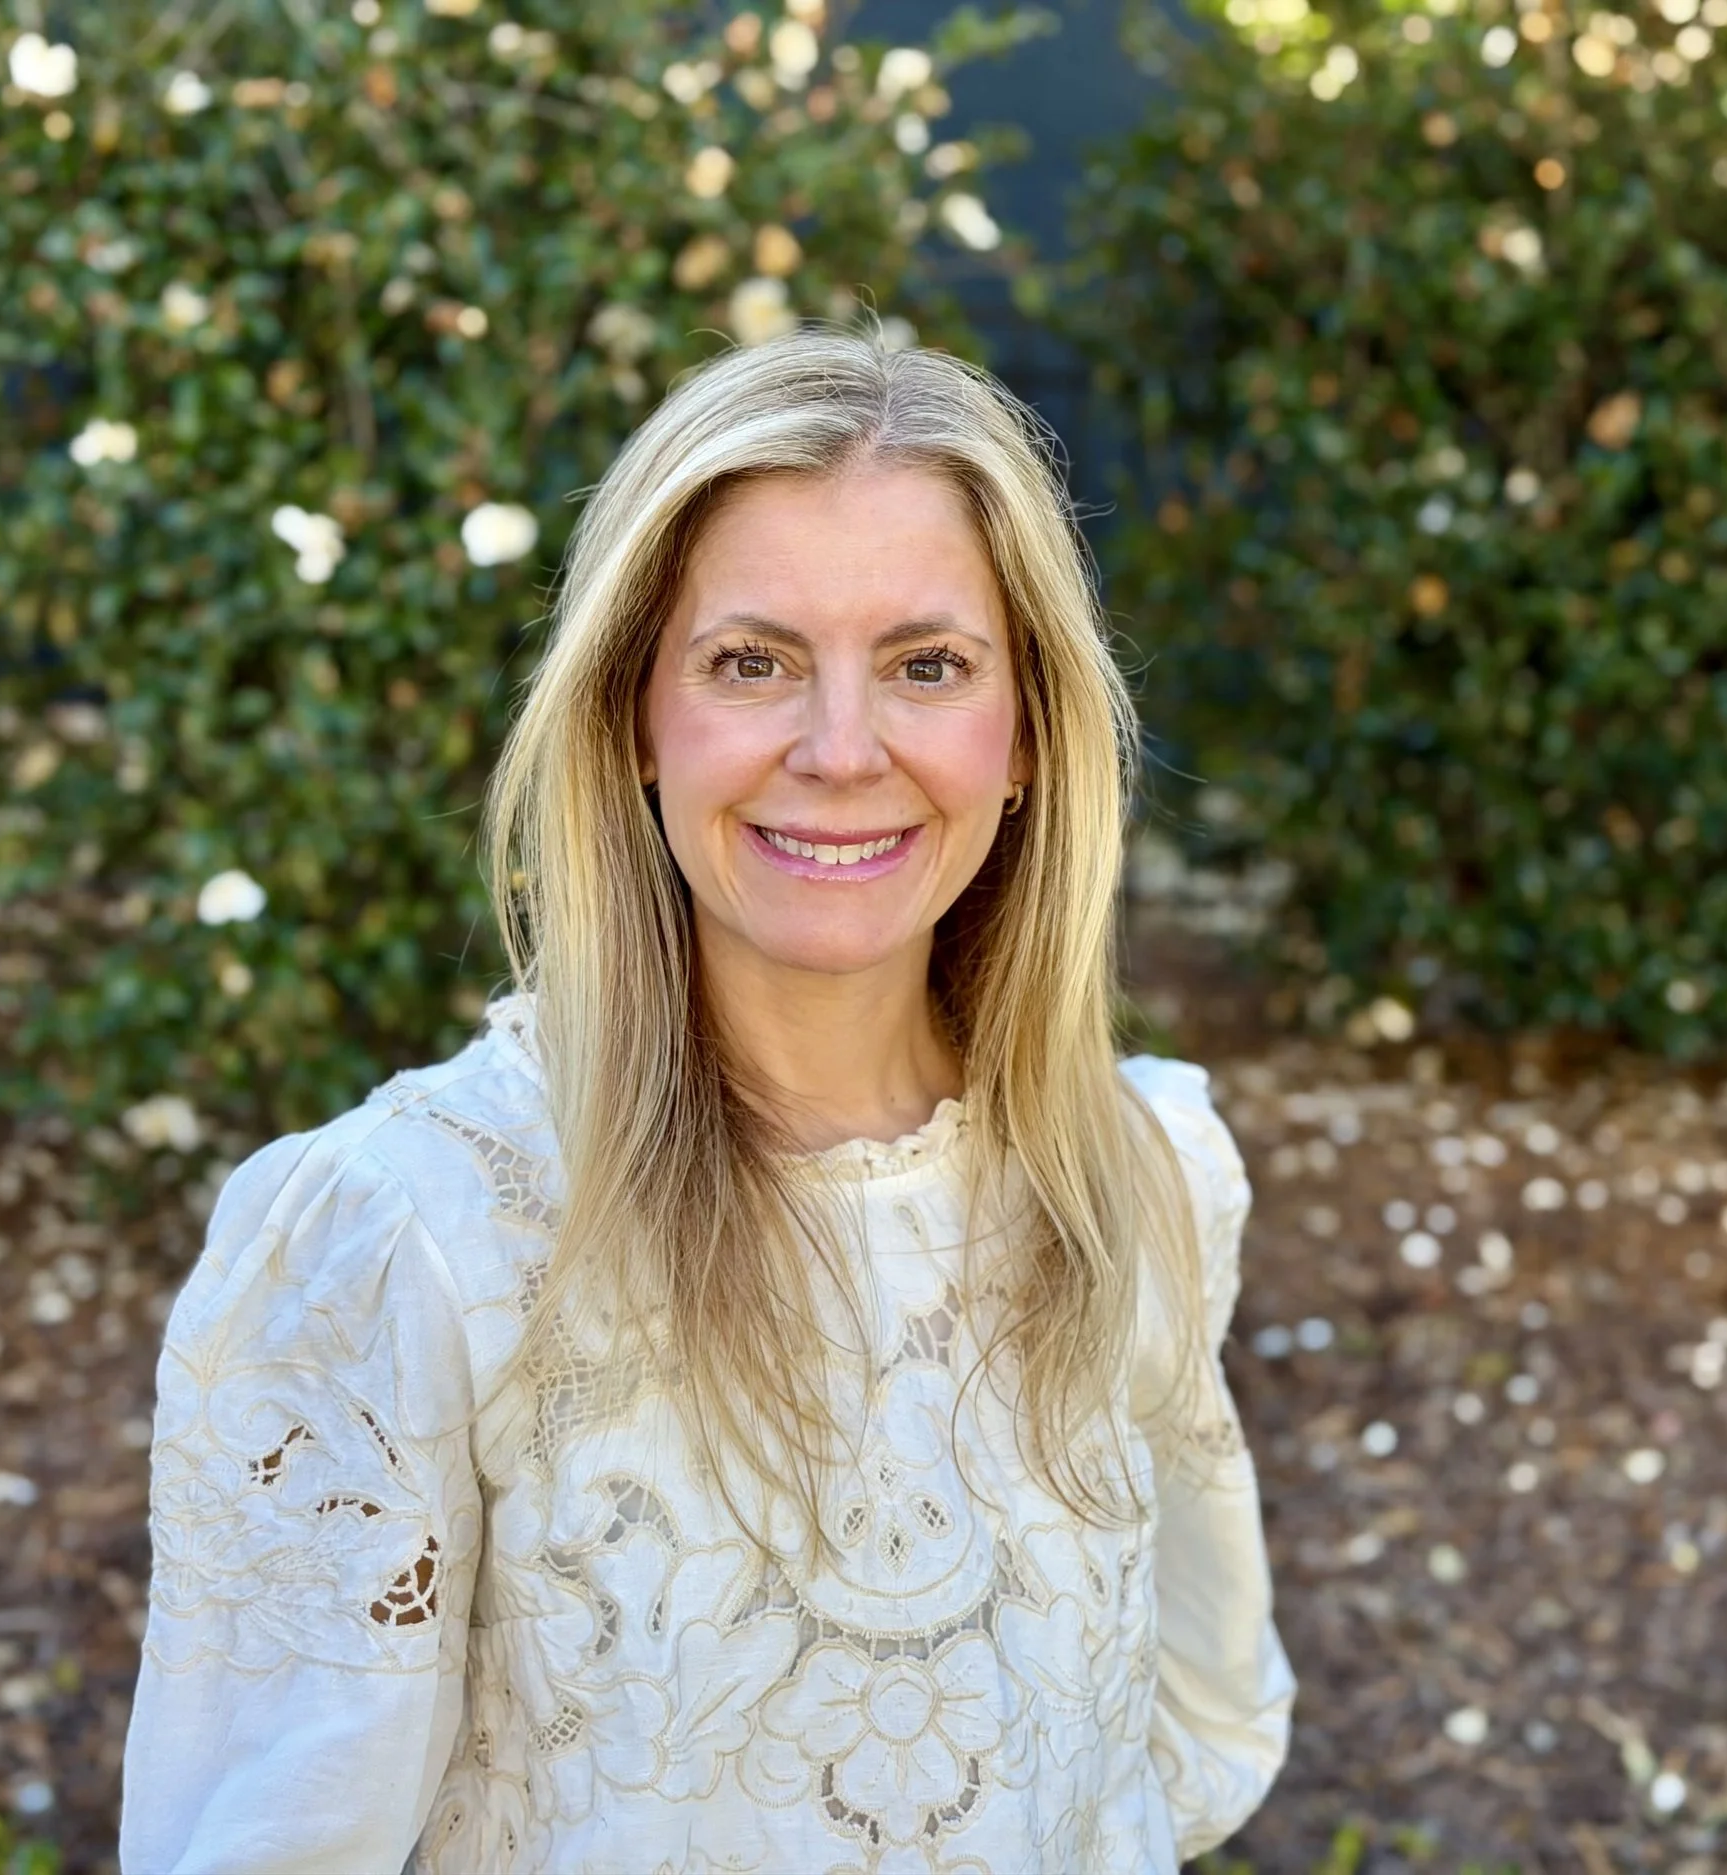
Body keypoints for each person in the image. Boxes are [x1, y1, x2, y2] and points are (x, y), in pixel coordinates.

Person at [118, 325, 1294, 1874]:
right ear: (632, 722)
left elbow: (1184, 1738)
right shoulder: (412, 1236)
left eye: (928, 664)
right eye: (753, 661)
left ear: (1026, 741)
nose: (840, 749)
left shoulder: (1133, 1181)